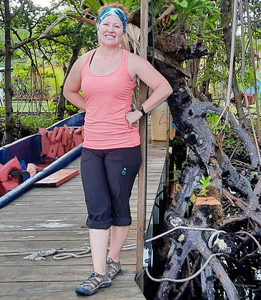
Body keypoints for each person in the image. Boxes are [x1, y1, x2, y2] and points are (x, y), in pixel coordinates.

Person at [63, 3, 172, 296]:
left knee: (118, 206)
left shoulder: (131, 61)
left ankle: (113, 261)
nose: (110, 30)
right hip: (92, 148)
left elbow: (163, 87)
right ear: (97, 28)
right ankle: (97, 273)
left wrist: (141, 112)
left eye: (117, 26)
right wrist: (92, 108)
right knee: (98, 209)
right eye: (106, 25)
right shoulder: (84, 61)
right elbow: (68, 91)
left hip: (124, 147)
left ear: (123, 32)